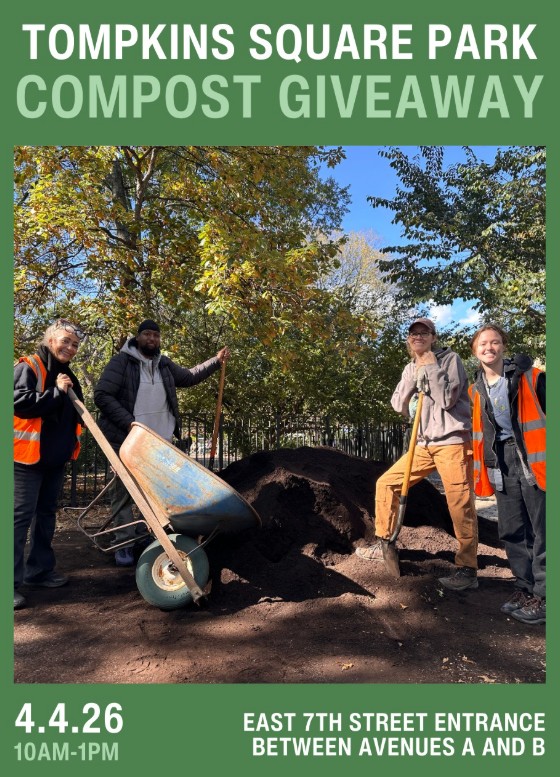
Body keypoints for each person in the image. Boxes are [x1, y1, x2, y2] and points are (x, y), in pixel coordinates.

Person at [94, 319, 230, 566]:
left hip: (158, 444)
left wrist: (215, 361)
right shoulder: (122, 362)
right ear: (138, 337)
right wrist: (130, 423)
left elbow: (188, 377)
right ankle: (123, 544)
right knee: (124, 493)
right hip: (127, 440)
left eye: (156, 335)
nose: (152, 339)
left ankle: (146, 538)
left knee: (155, 493)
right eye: (147, 334)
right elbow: (102, 395)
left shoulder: (163, 364)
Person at [356, 318, 478, 590]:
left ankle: (467, 569)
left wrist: (430, 366)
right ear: (409, 340)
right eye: (414, 334)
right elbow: (398, 404)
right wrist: (414, 373)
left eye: (424, 333)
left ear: (434, 337)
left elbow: (447, 399)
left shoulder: (450, 360)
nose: (418, 337)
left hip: (452, 442)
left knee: (459, 504)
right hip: (422, 445)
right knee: (387, 483)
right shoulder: (411, 366)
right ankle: (384, 542)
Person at [470, 324, 546, 625]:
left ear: (503, 347)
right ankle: (524, 588)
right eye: (483, 344)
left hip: (534, 460)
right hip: (501, 461)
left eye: (495, 342)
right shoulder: (475, 389)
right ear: (475, 351)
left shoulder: (532, 378)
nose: (489, 347)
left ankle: (545, 596)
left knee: (542, 530)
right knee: (512, 529)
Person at [14, 318, 85, 610]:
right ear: (50, 339)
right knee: (17, 521)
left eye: (75, 344)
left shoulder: (68, 374)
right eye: (65, 341)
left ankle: (39, 571)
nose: (70, 347)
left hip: (54, 460)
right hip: (25, 461)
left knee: (45, 517)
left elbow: (78, 412)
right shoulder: (28, 367)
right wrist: (56, 392)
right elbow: (18, 402)